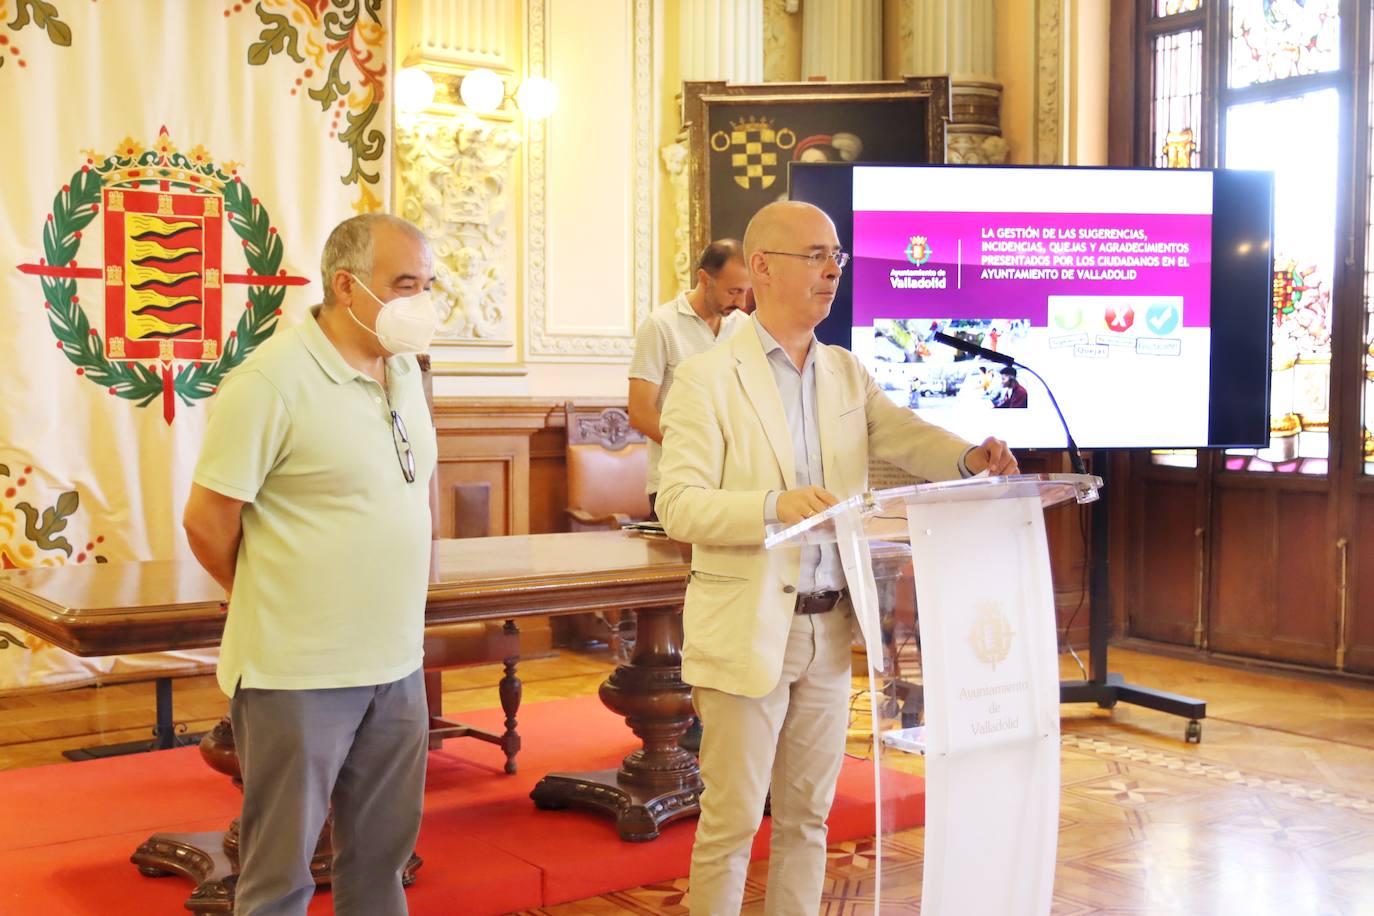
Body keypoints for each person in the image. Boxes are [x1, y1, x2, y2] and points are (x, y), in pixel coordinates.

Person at [656, 200, 1017, 915]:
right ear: (761, 268)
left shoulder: (845, 372)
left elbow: (907, 436)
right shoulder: (707, 378)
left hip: (830, 627)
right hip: (748, 624)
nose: (832, 271)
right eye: (815, 255)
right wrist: (771, 506)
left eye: (837, 257)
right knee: (730, 824)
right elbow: (679, 505)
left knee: (807, 819)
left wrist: (970, 456)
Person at [182, 213, 439, 916]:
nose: (423, 301)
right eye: (406, 285)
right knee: (279, 876)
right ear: (345, 286)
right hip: (298, 672)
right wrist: (270, 594)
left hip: (396, 665)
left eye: (428, 285)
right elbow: (207, 522)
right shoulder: (269, 382)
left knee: (382, 864)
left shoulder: (405, 373)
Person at [627, 239, 750, 519]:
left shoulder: (746, 328)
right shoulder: (660, 325)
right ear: (704, 279)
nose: (741, 303)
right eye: (733, 291)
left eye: (746, 292)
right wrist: (703, 448)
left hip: (735, 487)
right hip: (676, 484)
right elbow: (640, 413)